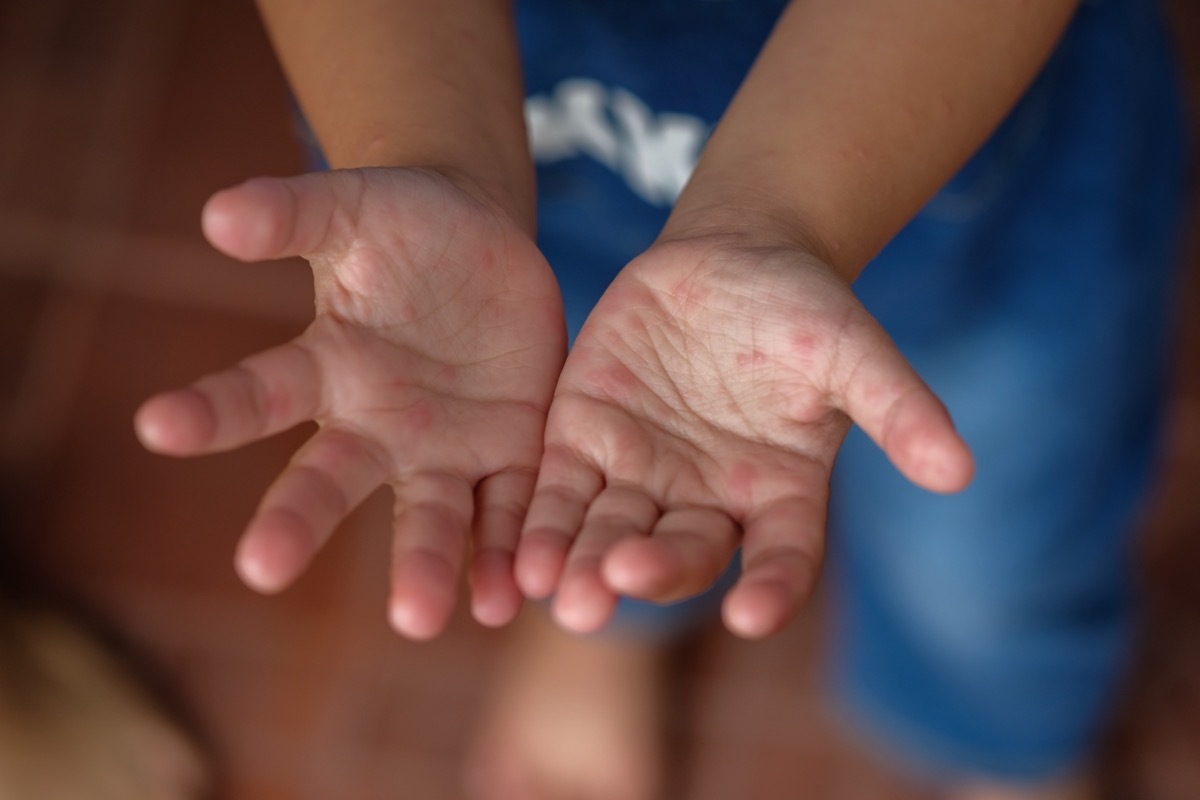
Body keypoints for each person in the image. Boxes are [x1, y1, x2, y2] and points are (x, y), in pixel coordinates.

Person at [134, 0, 1188, 798]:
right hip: (525, 186)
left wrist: (773, 217)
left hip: (982, 195)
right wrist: (437, 157)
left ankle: (994, 737)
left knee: (990, 565)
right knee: (568, 463)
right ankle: (607, 625)